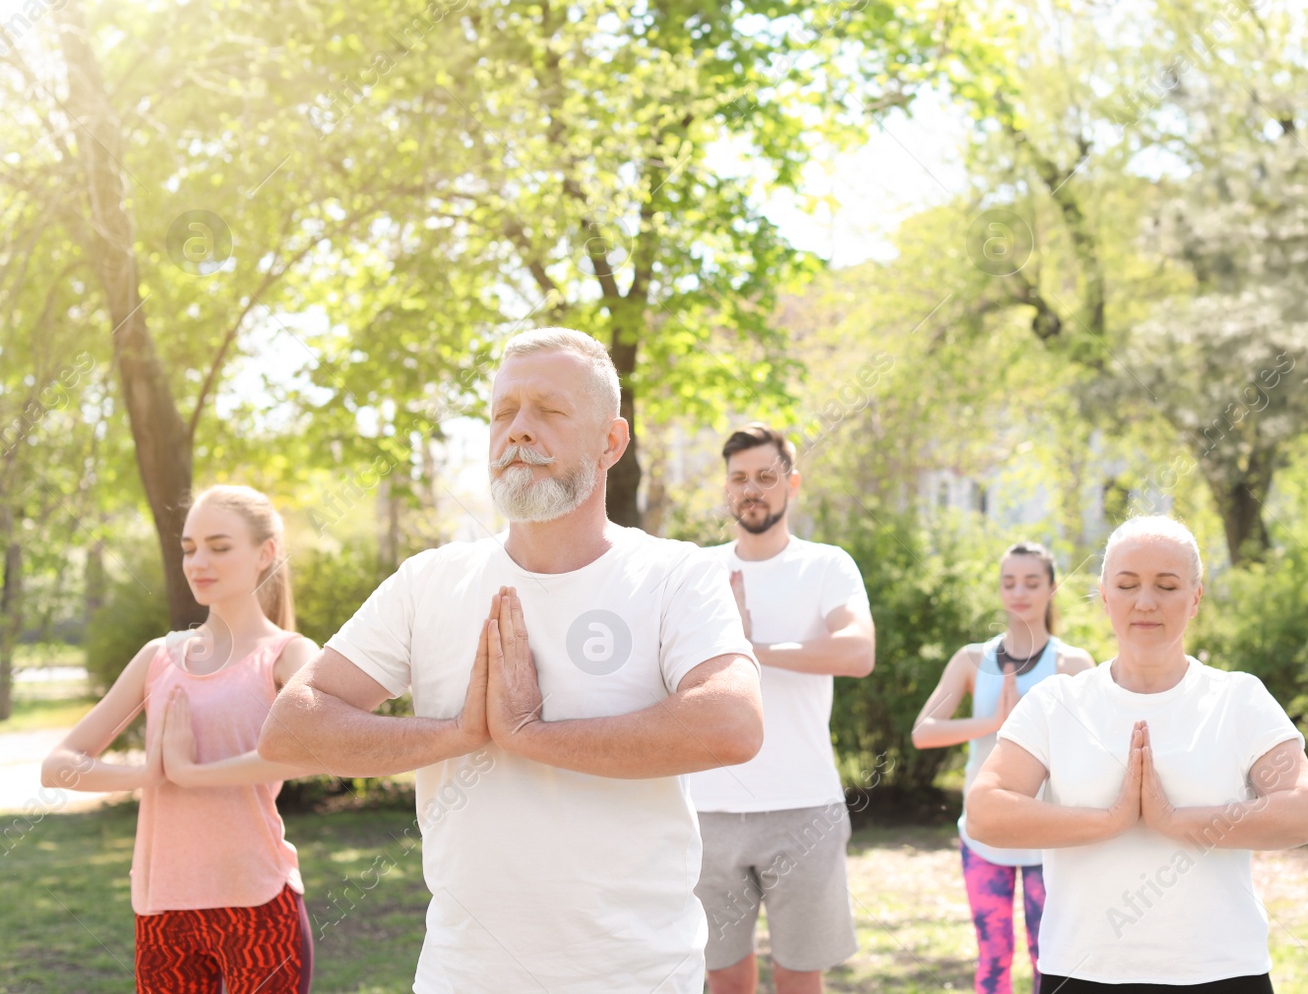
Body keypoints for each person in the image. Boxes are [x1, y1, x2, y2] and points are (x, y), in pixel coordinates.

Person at [257, 327, 763, 993]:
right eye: (502, 413)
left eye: (549, 412)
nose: (518, 431)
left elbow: (732, 723)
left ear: (611, 441)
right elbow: (290, 727)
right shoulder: (429, 581)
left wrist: (531, 736)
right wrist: (457, 735)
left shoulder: (676, 575)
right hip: (462, 976)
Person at [966, 515, 1308, 991]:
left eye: (1168, 585)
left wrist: (1174, 821)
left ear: (1195, 598)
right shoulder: (1057, 703)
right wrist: (1110, 821)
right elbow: (985, 813)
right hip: (1080, 971)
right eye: (1128, 584)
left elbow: (1304, 812)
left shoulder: (1238, 698)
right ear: (1105, 595)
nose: (1146, 602)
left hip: (1220, 971)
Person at [41, 485, 320, 994]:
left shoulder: (289, 655)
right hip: (162, 908)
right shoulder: (158, 658)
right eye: (189, 548)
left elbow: (314, 751)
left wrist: (193, 774)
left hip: (256, 901)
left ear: (266, 552)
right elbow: (57, 766)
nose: (198, 562)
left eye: (218, 546)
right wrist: (146, 775)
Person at [690, 423, 875, 994]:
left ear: (791, 484)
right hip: (708, 810)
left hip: (804, 810)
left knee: (799, 975)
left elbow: (858, 651)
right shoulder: (698, 571)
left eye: (765, 477)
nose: (752, 489)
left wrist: (751, 648)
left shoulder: (827, 566)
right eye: (740, 478)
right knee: (722, 976)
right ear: (727, 489)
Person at [912, 541, 1094, 994]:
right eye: (1009, 582)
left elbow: (1091, 750)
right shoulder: (972, 660)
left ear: (1052, 589)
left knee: (1047, 957)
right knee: (993, 958)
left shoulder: (1073, 664)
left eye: (1032, 582)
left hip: (1047, 837)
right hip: (983, 834)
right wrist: (993, 723)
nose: (1020, 592)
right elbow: (924, 732)